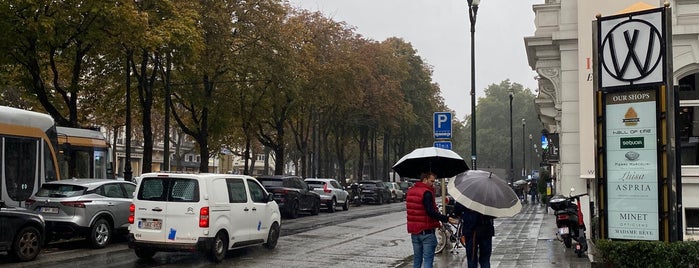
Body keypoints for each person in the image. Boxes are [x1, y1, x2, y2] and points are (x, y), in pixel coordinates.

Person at [406, 171, 457, 268]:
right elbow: (430, 212)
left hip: (414, 232)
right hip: (427, 232)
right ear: (425, 180)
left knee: (417, 260)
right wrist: (446, 218)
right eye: (432, 181)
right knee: (428, 261)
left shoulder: (410, 191)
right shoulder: (427, 193)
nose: (433, 184)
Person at [454, 202, 495, 268]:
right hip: (485, 230)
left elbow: (457, 211)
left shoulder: (468, 195)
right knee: (484, 259)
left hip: (471, 230)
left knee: (472, 259)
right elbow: (494, 214)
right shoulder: (489, 196)